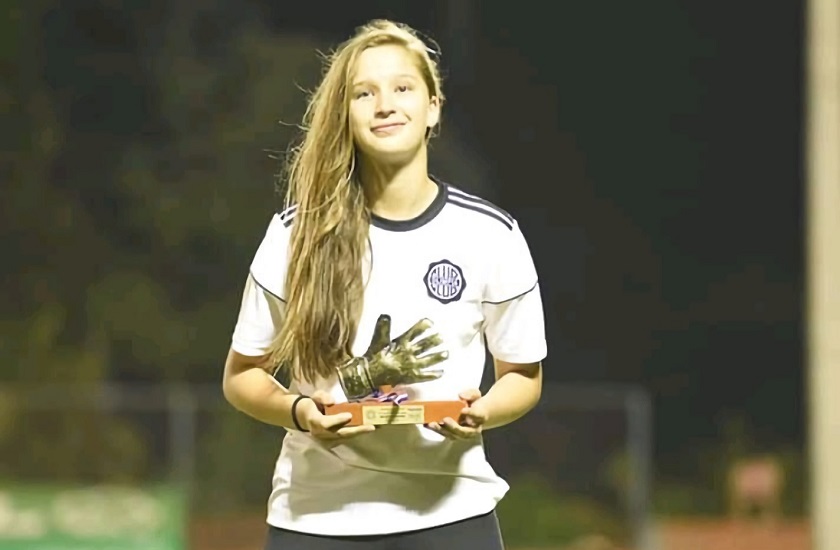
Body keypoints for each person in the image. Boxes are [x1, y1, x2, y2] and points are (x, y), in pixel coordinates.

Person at [222, 19, 547, 550]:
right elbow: (242, 378)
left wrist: (482, 409)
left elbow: (523, 377)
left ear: (433, 107)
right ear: (345, 116)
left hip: (451, 515)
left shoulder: (491, 234)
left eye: (402, 87)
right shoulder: (295, 234)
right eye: (364, 92)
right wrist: (302, 413)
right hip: (315, 519)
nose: (385, 104)